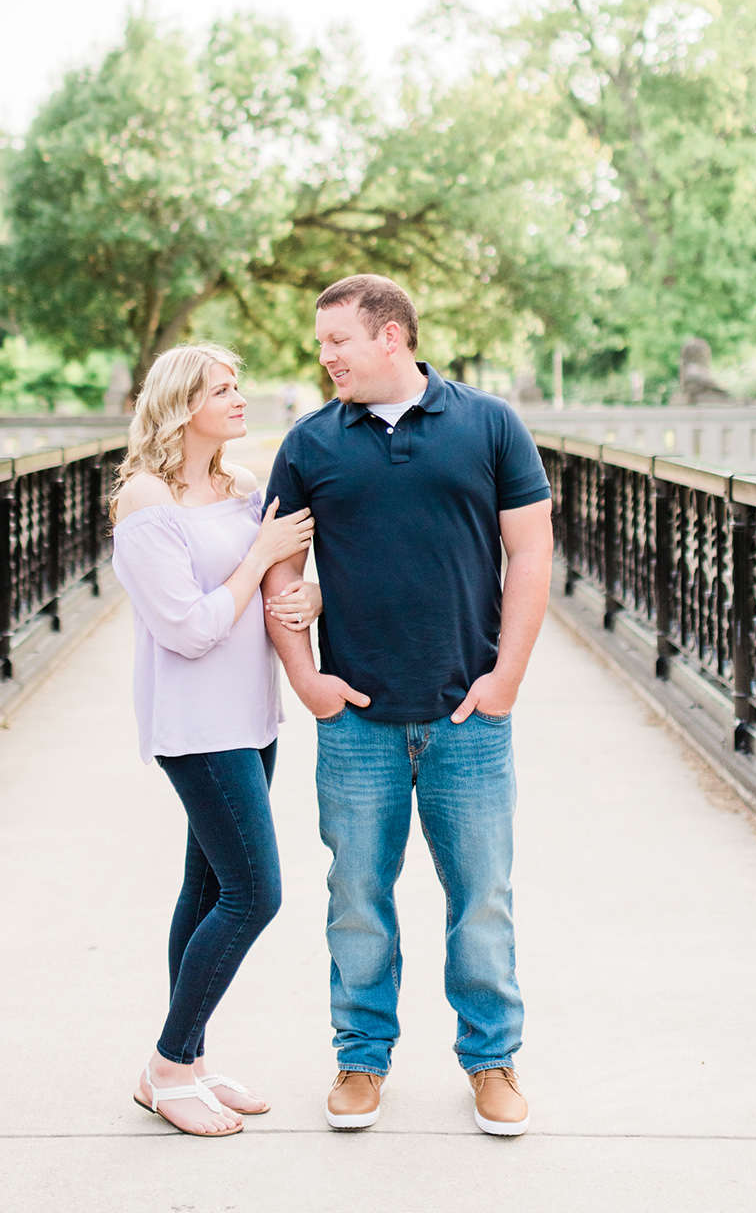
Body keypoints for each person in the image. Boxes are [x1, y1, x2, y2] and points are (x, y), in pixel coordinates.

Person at [261, 276, 554, 1137]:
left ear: (391, 337)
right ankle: (360, 1059)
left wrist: (505, 680)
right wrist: (306, 681)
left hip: (469, 715)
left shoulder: (489, 423)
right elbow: (279, 567)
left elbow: (530, 553)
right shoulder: (310, 442)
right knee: (356, 895)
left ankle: (491, 1060)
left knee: (482, 898)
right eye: (321, 343)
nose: (325, 358)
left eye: (337, 342)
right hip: (357, 723)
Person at [111, 343, 321, 1137]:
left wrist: (303, 591)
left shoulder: (238, 489)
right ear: (180, 403)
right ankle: (165, 1067)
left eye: (239, 384)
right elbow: (189, 628)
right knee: (253, 893)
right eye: (222, 389)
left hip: (250, 719)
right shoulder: (143, 502)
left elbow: (281, 585)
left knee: (204, 892)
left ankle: (188, 1063)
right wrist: (261, 555)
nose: (239, 398)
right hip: (195, 729)